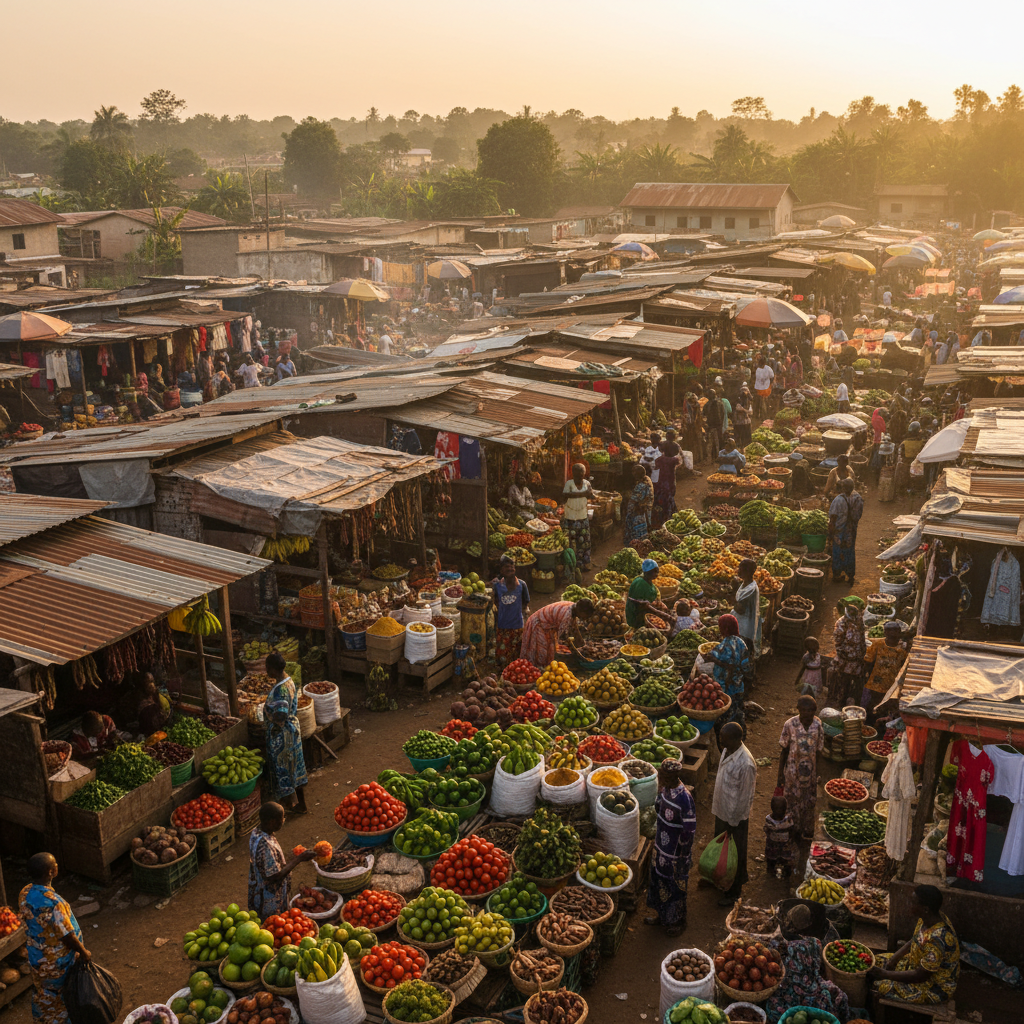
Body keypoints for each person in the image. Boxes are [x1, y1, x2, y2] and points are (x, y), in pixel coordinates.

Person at [19, 853, 91, 1024]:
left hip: (37, 957)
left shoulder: (25, 892)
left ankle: (43, 1019)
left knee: (43, 993)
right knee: (62, 996)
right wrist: (83, 951)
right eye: (55, 864)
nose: (57, 865)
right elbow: (67, 935)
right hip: (57, 962)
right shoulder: (54, 903)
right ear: (51, 872)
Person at [873, 885, 960, 1006]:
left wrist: (885, 974)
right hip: (914, 964)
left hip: (932, 985)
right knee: (874, 962)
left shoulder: (937, 939)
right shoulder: (927, 918)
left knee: (881, 986)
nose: (909, 905)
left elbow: (921, 975)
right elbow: (914, 940)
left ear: (925, 909)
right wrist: (893, 960)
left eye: (913, 902)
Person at [765, 904, 850, 1023]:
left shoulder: (777, 943)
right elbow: (818, 969)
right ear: (808, 923)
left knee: (773, 1007)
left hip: (786, 991)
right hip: (811, 989)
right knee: (838, 996)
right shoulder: (815, 943)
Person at [645, 759, 697, 936]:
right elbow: (658, 807)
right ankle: (662, 916)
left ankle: (678, 922)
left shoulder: (684, 798)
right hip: (661, 847)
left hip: (676, 853)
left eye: (664, 775)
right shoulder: (665, 789)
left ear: (674, 776)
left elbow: (689, 830)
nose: (661, 777)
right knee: (660, 881)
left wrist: (682, 855)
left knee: (675, 887)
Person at [711, 721, 757, 907]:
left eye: (724, 739)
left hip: (735, 818)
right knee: (721, 851)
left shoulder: (746, 764)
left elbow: (746, 798)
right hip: (722, 809)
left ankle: (734, 892)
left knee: (735, 854)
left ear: (737, 739)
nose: (721, 742)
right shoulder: (727, 750)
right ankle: (720, 880)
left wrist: (734, 822)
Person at [248, 802, 317, 918]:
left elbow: (268, 862)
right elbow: (274, 876)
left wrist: (289, 858)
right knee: (273, 924)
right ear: (272, 822)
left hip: (258, 889)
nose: (283, 821)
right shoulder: (265, 845)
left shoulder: (257, 832)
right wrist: (299, 859)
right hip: (268, 898)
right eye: (282, 819)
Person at [264, 652, 308, 813]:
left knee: (284, 770)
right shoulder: (288, 680)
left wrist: (270, 715)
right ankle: (300, 804)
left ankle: (287, 806)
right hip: (292, 732)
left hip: (283, 736)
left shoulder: (280, 690)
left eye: (267, 668)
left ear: (273, 669)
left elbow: (281, 713)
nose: (266, 671)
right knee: (294, 769)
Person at [777, 695, 825, 841]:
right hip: (792, 773)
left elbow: (819, 751)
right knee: (791, 801)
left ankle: (806, 831)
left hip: (810, 774)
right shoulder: (789, 724)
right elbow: (784, 751)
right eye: (803, 710)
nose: (807, 713)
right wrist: (780, 774)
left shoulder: (818, 725)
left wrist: (819, 773)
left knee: (809, 802)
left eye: (810, 710)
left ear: (815, 710)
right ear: (798, 709)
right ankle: (792, 830)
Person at [708, 613, 752, 739]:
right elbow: (746, 666)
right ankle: (741, 734)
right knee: (738, 711)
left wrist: (712, 659)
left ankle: (726, 738)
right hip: (738, 685)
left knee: (725, 714)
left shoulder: (725, 645)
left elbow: (716, 658)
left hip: (725, 687)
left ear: (725, 628)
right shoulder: (741, 642)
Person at [520, 599, 594, 667]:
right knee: (541, 652)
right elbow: (565, 638)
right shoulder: (566, 615)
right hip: (537, 624)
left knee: (549, 650)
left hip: (546, 625)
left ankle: (542, 668)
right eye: (586, 616)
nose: (586, 618)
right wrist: (578, 654)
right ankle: (537, 670)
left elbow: (574, 628)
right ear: (581, 612)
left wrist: (582, 645)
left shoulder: (573, 607)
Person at [862, 620, 907, 722]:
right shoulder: (877, 644)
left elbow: (902, 668)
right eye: (890, 632)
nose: (893, 635)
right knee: (872, 707)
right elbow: (868, 662)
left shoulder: (902, 651)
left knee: (883, 709)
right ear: (886, 633)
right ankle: (869, 725)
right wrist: (867, 677)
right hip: (875, 685)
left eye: (895, 632)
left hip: (890, 687)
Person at [492, 557, 530, 669]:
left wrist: (523, 615)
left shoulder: (522, 585)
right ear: (501, 571)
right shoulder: (497, 586)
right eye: (506, 567)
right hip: (503, 627)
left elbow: (525, 602)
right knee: (503, 656)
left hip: (518, 626)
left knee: (517, 656)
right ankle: (503, 674)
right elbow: (496, 603)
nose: (510, 568)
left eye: (512, 566)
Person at [829, 477, 864, 584]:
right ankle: (850, 576)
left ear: (843, 488)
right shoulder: (858, 498)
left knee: (837, 552)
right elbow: (857, 516)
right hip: (851, 531)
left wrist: (830, 533)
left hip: (839, 532)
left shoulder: (838, 500)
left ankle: (837, 575)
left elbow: (833, 518)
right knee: (849, 552)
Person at [832, 603, 867, 706]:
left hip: (858, 657)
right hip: (845, 658)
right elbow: (838, 641)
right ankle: (842, 701)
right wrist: (843, 655)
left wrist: (862, 653)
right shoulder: (841, 623)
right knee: (845, 681)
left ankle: (855, 702)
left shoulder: (859, 620)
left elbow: (862, 637)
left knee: (857, 681)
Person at [561, 463, 594, 571]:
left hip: (582, 515)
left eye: (582, 473)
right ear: (573, 473)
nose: (580, 475)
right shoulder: (569, 484)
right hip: (570, 516)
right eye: (578, 473)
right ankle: (572, 565)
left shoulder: (587, 483)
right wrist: (584, 493)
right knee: (571, 541)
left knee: (584, 541)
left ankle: (584, 562)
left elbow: (591, 495)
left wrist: (591, 494)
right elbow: (565, 495)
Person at [763, 794, 797, 879]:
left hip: (785, 844)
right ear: (772, 809)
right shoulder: (769, 819)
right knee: (771, 858)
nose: (779, 812)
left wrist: (791, 839)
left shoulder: (788, 819)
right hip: (772, 844)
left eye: (782, 809)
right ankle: (771, 869)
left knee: (786, 859)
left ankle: (786, 871)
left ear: (785, 809)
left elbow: (792, 829)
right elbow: (766, 829)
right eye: (777, 809)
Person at [733, 558, 760, 657]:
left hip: (745, 626)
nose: (738, 571)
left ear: (748, 572)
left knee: (744, 651)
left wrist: (733, 591)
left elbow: (740, 609)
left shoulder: (751, 589)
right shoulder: (745, 583)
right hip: (742, 623)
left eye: (741, 569)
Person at [652, 441, 683, 528]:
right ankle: (668, 522)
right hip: (669, 484)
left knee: (660, 502)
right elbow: (680, 462)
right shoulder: (674, 460)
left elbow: (655, 472)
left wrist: (654, 484)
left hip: (659, 484)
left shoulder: (658, 460)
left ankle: (661, 520)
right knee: (668, 501)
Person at [622, 463, 654, 545]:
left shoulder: (641, 486)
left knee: (636, 529)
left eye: (634, 473)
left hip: (639, 511)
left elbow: (634, 500)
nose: (633, 474)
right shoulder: (647, 480)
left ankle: (636, 543)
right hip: (646, 510)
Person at [626, 559, 661, 630]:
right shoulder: (640, 583)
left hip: (646, 611)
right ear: (648, 572)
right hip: (636, 616)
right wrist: (652, 608)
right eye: (655, 572)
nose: (657, 574)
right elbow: (637, 603)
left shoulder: (648, 581)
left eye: (657, 571)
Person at [794, 636, 824, 701]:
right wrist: (798, 679)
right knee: (807, 690)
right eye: (816, 646)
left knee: (813, 691)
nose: (818, 648)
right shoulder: (806, 657)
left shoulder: (818, 656)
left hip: (816, 677)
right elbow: (803, 668)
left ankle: (811, 700)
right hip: (809, 677)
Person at [703, 388, 725, 458]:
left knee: (712, 440)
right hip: (718, 424)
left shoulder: (709, 404)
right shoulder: (720, 402)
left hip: (712, 424)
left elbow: (704, 414)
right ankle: (720, 454)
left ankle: (715, 455)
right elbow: (723, 413)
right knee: (719, 439)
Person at [753, 355, 774, 420]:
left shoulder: (764, 369)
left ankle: (761, 416)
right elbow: (772, 378)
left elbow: (772, 378)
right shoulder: (767, 369)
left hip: (763, 389)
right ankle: (760, 415)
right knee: (761, 402)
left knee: (761, 402)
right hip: (762, 388)